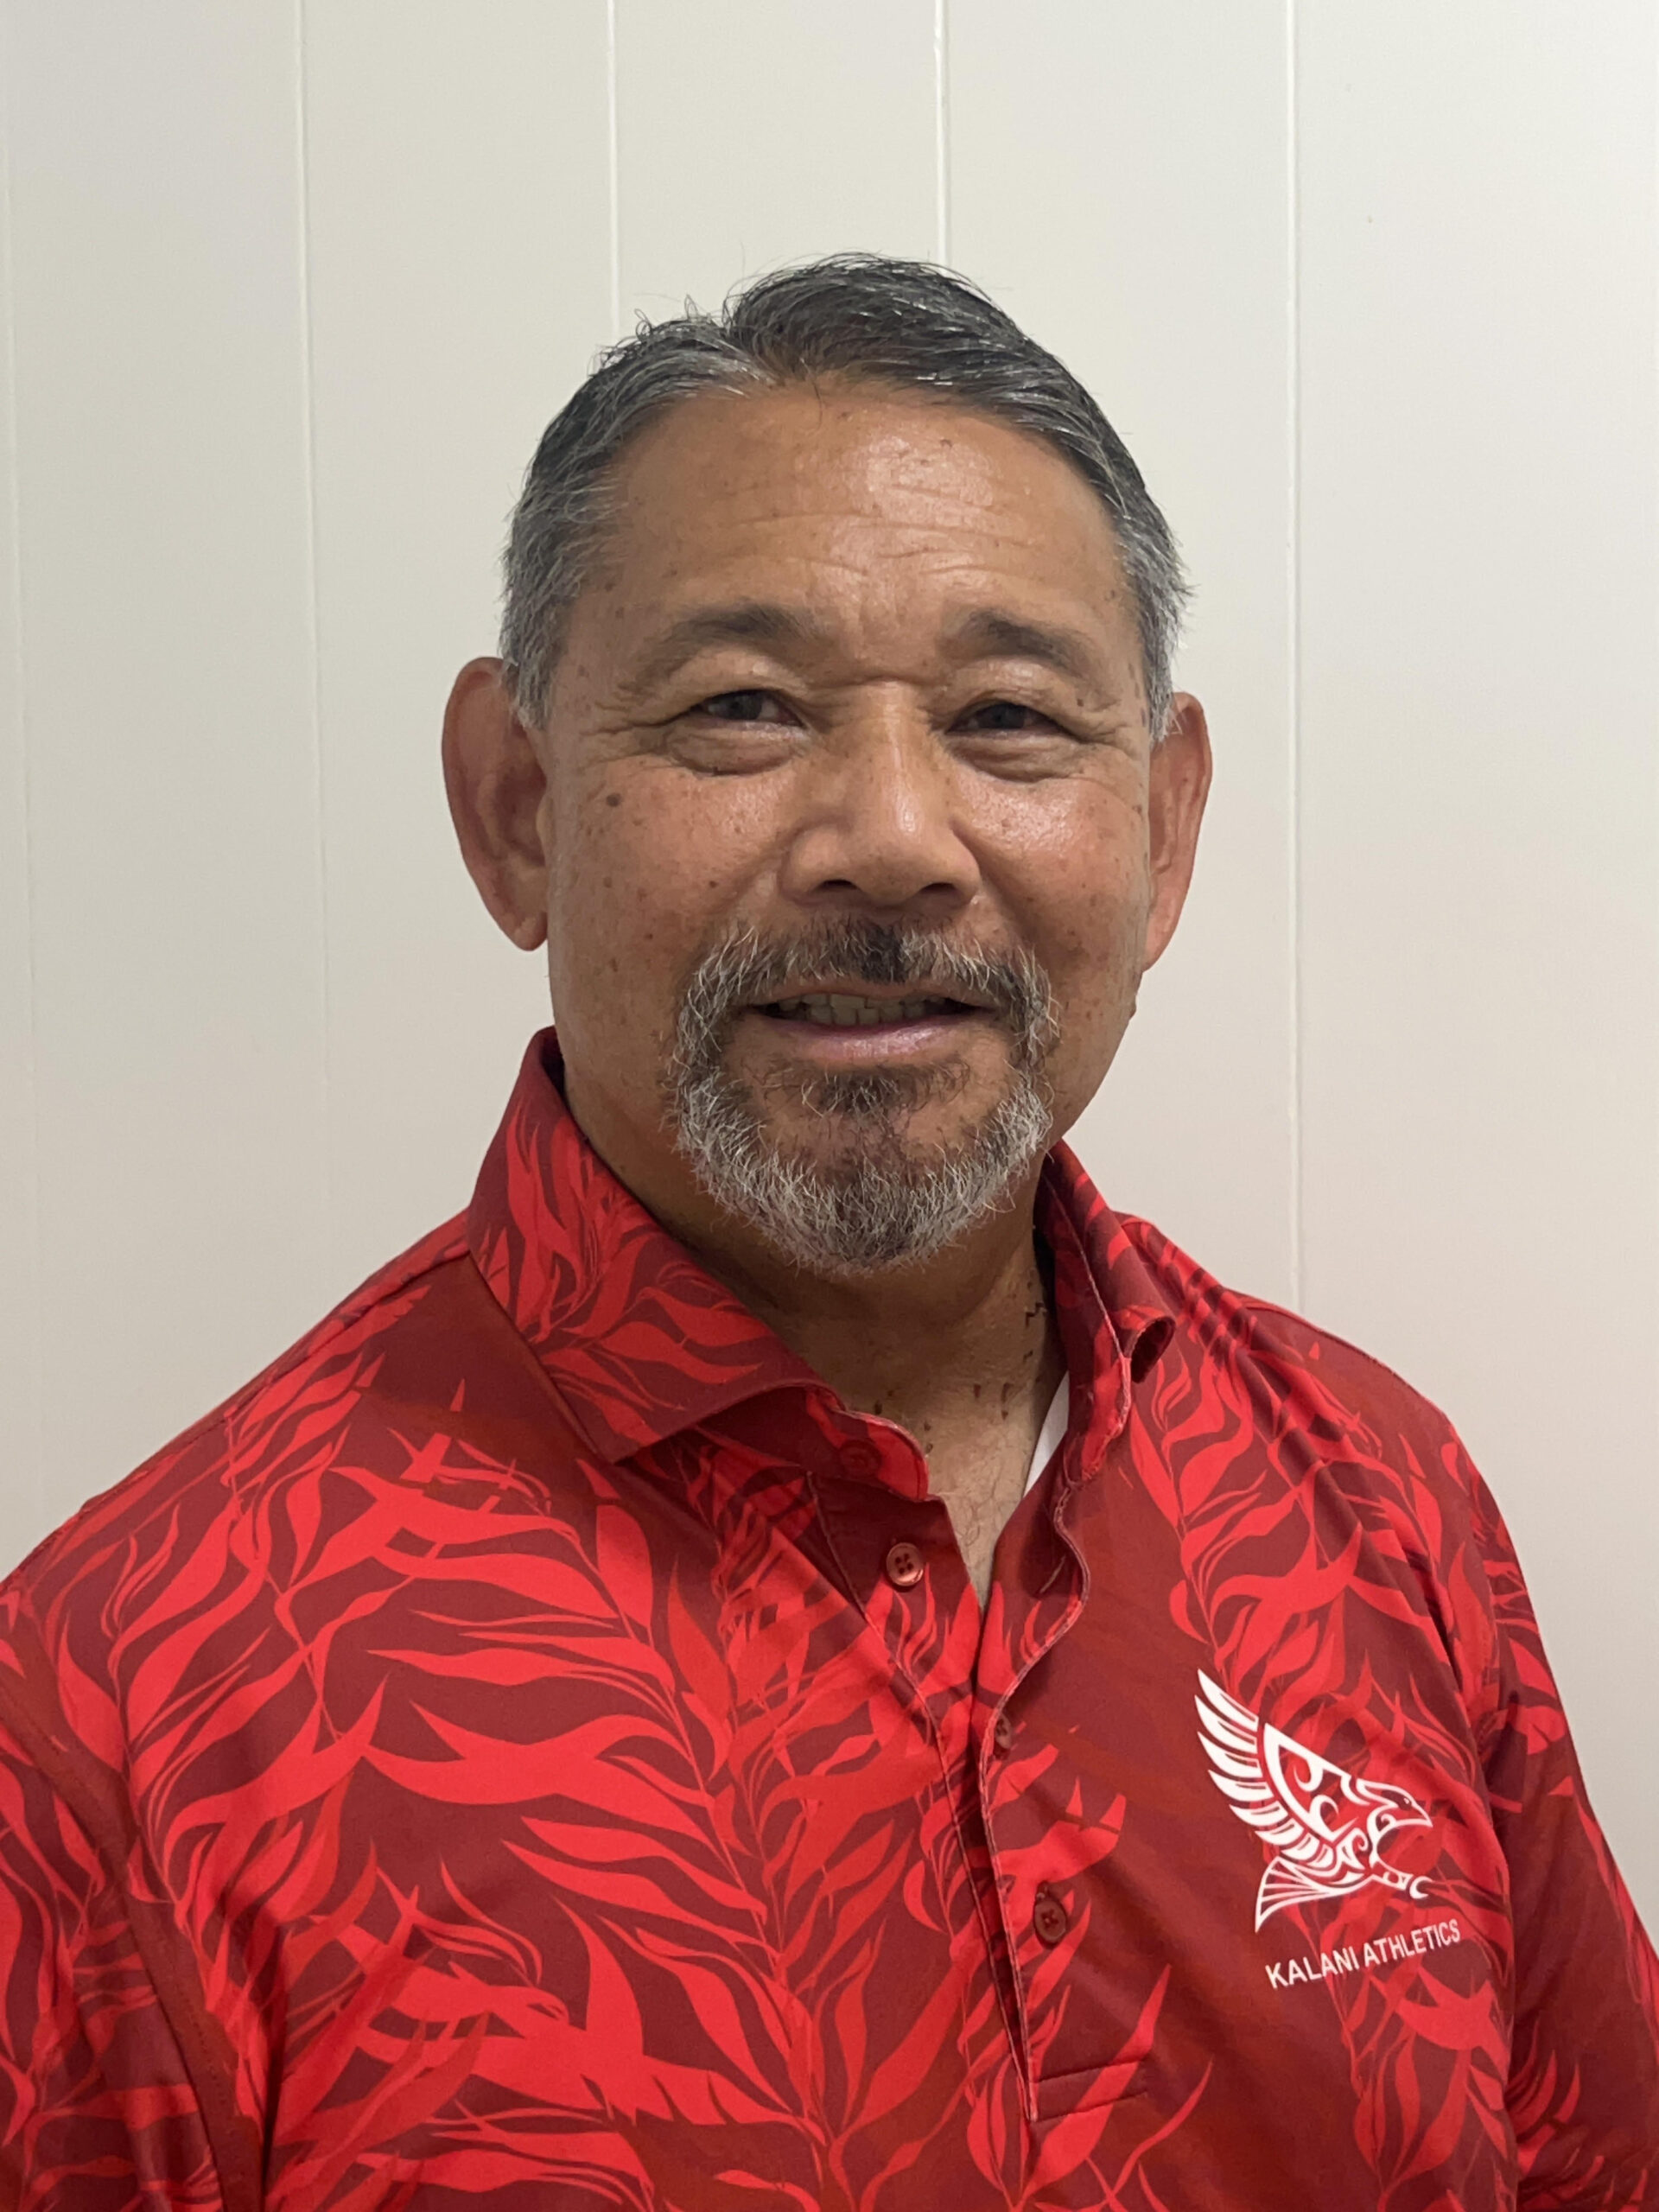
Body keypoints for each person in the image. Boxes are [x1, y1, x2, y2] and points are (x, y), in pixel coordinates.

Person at [0, 256, 1652, 2211]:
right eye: (743, 709)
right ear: (516, 808)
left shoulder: (1374, 1502)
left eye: (1009, 718)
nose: (892, 836)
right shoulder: (127, 1710)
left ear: (1165, 828)